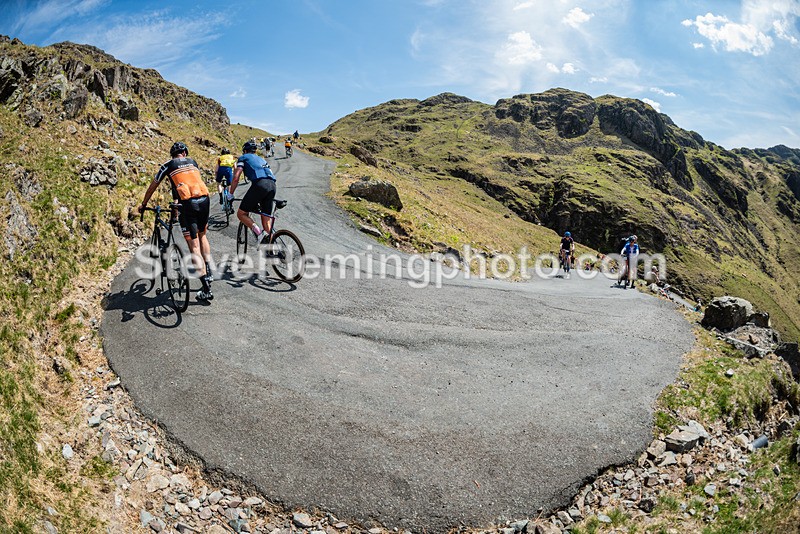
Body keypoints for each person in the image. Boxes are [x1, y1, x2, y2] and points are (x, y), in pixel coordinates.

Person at [140, 141, 214, 301]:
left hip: (188, 204)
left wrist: (144, 204)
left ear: (172, 155)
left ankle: (206, 287)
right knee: (202, 235)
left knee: (193, 245)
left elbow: (154, 185)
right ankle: (209, 271)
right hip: (205, 199)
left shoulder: (168, 165)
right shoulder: (193, 162)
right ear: (185, 153)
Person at [229, 140, 277, 240]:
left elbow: (236, 177)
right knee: (266, 221)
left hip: (260, 184)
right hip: (272, 185)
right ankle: (274, 249)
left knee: (241, 214)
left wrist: (231, 194)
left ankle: (259, 235)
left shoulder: (243, 158)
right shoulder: (262, 159)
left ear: (245, 151)